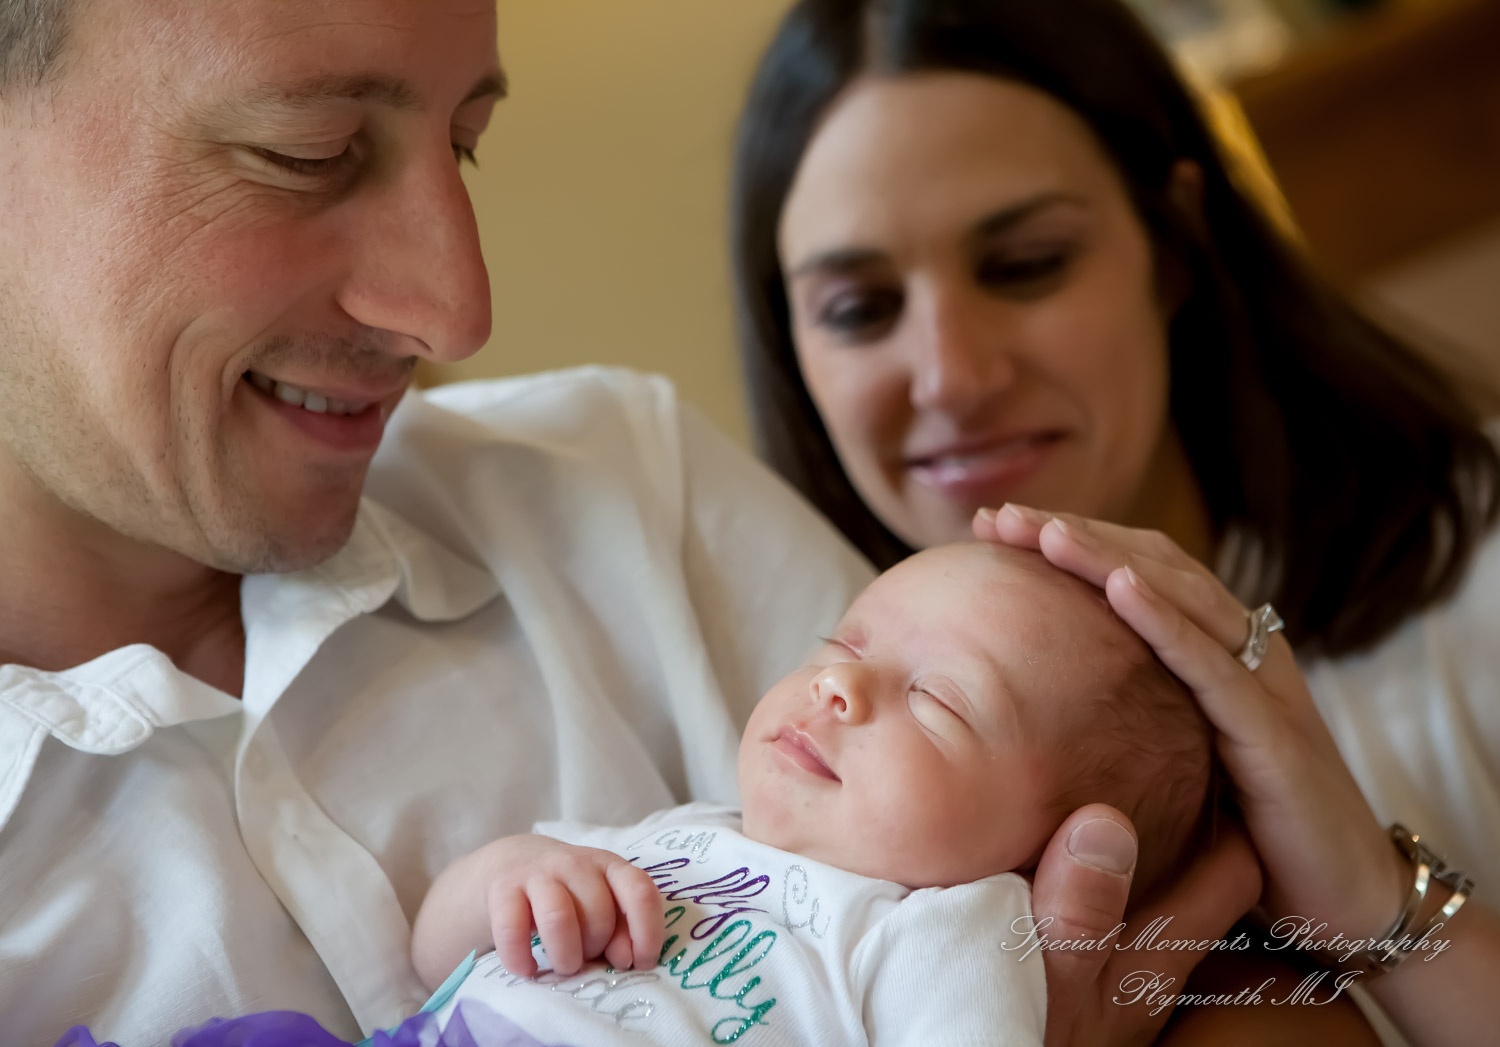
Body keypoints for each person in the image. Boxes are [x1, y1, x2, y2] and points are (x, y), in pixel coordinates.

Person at [0, 2, 1242, 1046]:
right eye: (308, 152)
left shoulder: (618, 485)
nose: (458, 311)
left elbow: (1249, 979)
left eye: (468, 144)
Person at [729, 0, 1500, 1042]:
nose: (953, 377)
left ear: (1174, 242)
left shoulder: (1477, 586)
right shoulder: (799, 745)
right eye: (860, 310)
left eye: (1026, 263)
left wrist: (1377, 905)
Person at [406, 543, 1210, 1047]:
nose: (840, 684)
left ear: (1045, 851)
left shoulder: (946, 930)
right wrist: (518, 874)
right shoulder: (678, 830)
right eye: (844, 643)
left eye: (940, 702)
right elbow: (431, 955)